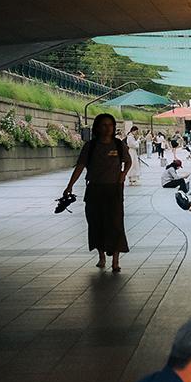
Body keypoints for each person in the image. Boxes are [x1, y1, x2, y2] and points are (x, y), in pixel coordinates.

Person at [64, 113, 131, 272]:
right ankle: (101, 256)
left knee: (115, 224)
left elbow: (128, 161)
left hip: (114, 189)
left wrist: (123, 174)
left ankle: (115, 260)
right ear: (97, 128)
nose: (108, 128)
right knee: (96, 223)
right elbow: (80, 166)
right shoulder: (90, 146)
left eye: (110, 125)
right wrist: (70, 186)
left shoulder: (118, 144)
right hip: (94, 189)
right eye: (104, 125)